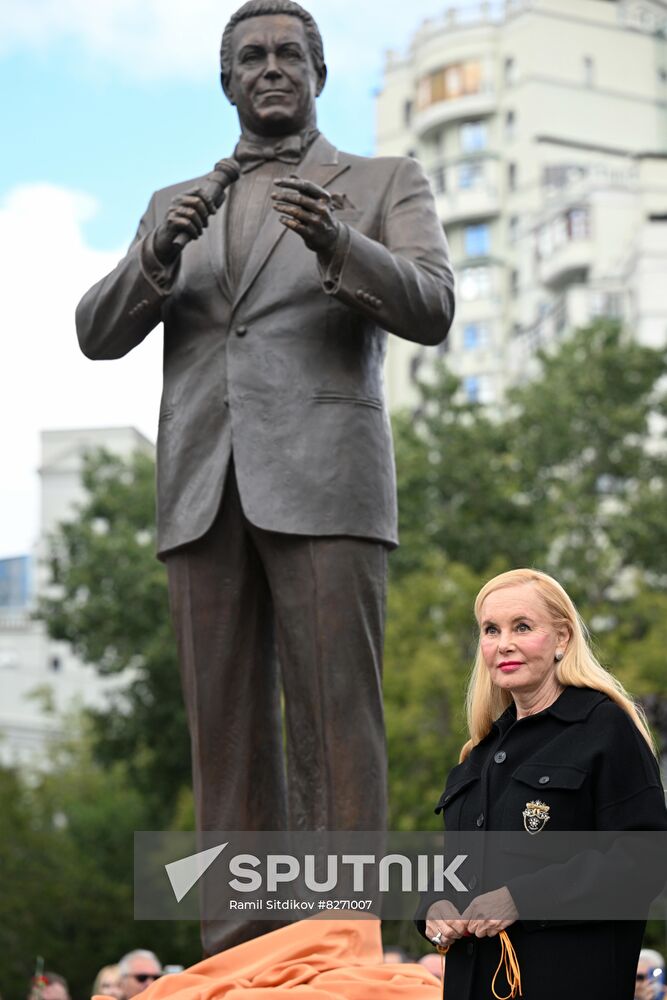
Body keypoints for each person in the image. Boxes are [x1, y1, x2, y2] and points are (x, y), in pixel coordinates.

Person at [76, 0, 454, 955]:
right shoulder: (177, 204)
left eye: (290, 53)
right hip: (202, 488)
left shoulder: (380, 181)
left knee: (335, 715)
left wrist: (338, 244)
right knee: (222, 724)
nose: (271, 66)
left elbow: (432, 305)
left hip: (328, 477)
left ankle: (340, 938)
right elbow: (95, 332)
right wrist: (154, 250)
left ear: (319, 74)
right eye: (251, 55)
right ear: (228, 80)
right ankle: (238, 944)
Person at [416, 567, 667, 1000]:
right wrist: (434, 910)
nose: (503, 643)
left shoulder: (605, 728)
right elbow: (455, 874)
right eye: (491, 630)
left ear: (562, 638)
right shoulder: (476, 756)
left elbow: (645, 861)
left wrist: (522, 899)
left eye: (523, 627)